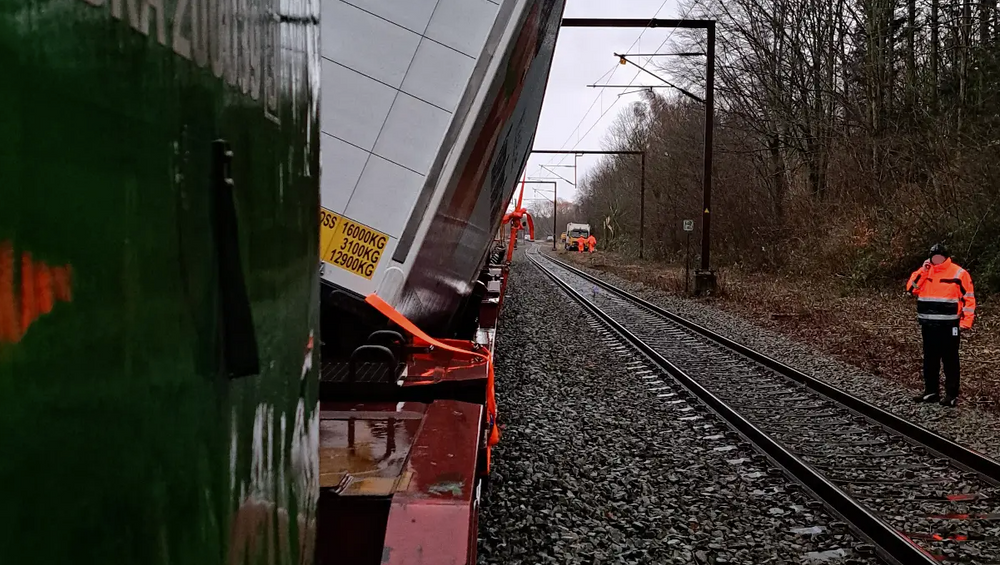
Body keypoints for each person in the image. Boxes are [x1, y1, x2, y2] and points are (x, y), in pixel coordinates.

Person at [906, 243, 976, 407]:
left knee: (950, 360)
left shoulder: (959, 273)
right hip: (928, 325)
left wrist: (966, 322)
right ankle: (931, 391)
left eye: (939, 257)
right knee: (930, 359)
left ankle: (951, 395)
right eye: (934, 256)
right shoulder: (925, 271)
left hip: (949, 325)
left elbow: (969, 298)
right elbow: (911, 289)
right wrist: (923, 271)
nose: (936, 259)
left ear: (945, 257)